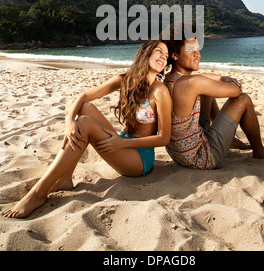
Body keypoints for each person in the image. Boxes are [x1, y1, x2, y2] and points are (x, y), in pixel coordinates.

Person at [3, 40, 171, 219]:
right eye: (159, 51)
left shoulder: (159, 91)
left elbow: (163, 138)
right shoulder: (126, 79)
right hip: (122, 142)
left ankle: (38, 193)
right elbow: (84, 96)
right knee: (85, 108)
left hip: (139, 158)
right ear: (146, 53)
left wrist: (121, 142)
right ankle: (65, 177)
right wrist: (69, 120)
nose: (163, 57)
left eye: (166, 56)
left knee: (84, 123)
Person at [161, 24, 264, 170]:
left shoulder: (172, 79)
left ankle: (229, 139)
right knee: (243, 99)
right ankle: (259, 151)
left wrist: (223, 77)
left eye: (198, 49)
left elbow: (202, 78)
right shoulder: (191, 83)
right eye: (191, 50)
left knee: (206, 93)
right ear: (175, 55)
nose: (198, 54)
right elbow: (236, 92)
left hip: (180, 153)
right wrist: (230, 82)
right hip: (201, 157)